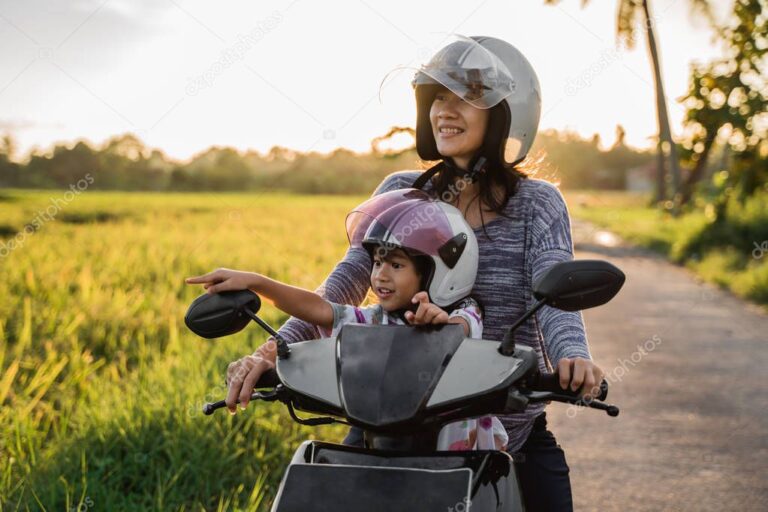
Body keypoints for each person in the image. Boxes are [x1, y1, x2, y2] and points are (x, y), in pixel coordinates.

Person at [207, 36, 605, 511]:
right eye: (437, 97)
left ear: (505, 113)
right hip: (389, 424)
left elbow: (557, 294)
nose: (444, 111)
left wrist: (573, 358)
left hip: (499, 433)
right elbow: (344, 285)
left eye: (463, 98)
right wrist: (271, 351)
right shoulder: (402, 191)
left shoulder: (537, 204)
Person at [186, 189, 509, 451]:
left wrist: (439, 324)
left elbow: (460, 329)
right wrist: (257, 282)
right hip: (385, 446)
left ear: (437, 273)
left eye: (396, 265)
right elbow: (318, 309)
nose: (380, 275)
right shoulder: (373, 319)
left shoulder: (464, 312)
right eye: (377, 263)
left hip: (461, 464)